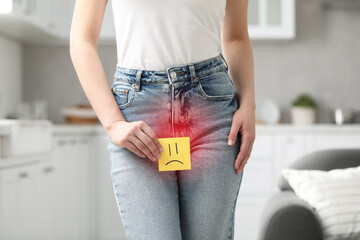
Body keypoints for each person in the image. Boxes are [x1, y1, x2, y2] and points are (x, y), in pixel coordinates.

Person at [70, 0, 256, 239]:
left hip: (210, 108)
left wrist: (248, 103)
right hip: (139, 114)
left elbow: (236, 37)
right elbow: (81, 39)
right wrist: (113, 123)